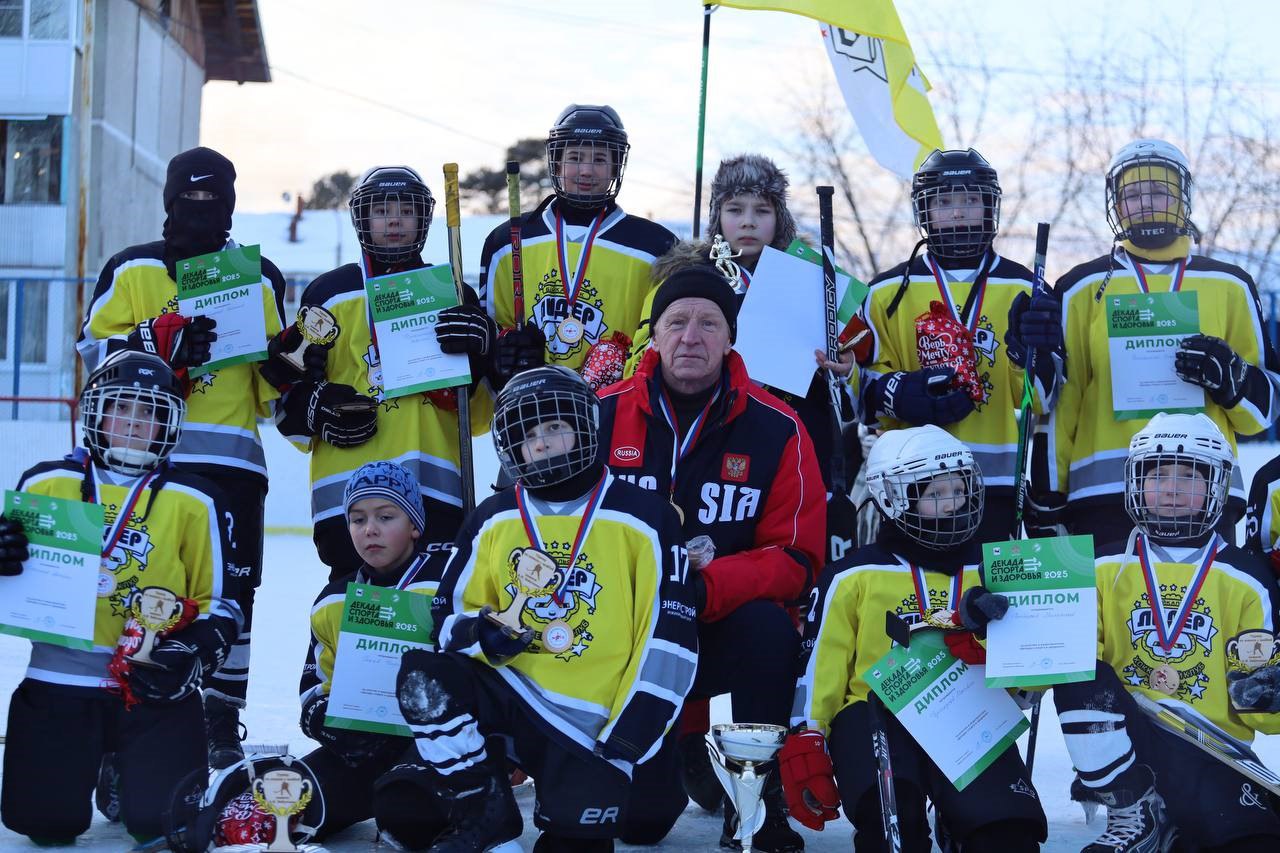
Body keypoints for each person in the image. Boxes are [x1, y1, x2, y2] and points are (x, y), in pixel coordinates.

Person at [394, 366, 696, 852]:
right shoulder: (492, 518)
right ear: (514, 448)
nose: (544, 443)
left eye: (555, 426)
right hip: (513, 697)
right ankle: (482, 805)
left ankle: (628, 789)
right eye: (529, 434)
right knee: (423, 677)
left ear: (585, 427)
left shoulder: (645, 516)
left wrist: (628, 739)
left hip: (593, 727)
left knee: (599, 836)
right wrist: (483, 635)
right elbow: (445, 622)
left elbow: (670, 641)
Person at [596, 264, 827, 851]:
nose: (690, 337)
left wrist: (707, 587)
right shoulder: (600, 414)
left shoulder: (777, 427)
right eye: (676, 322)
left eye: (708, 323)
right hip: (623, 632)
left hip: (719, 624)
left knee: (771, 629)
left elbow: (798, 556)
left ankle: (753, 800)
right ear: (654, 334)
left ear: (731, 338)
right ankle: (677, 757)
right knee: (639, 826)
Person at [75, 146, 286, 767]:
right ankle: (123, 704)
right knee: (139, 583)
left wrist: (292, 364)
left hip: (232, 468)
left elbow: (274, 387)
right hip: (144, 464)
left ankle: (221, 715)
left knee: (234, 594)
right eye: (190, 198)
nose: (202, 209)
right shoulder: (133, 269)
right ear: (169, 201)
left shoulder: (259, 275)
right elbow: (91, 351)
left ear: (231, 204)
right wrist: (154, 341)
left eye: (214, 199)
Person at [0, 351, 241, 847]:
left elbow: (222, 604)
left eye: (150, 411)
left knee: (161, 824)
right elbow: (15, 593)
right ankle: (96, 760)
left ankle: (121, 770)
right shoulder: (46, 484)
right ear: (95, 413)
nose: (134, 423)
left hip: (151, 686)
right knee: (44, 825)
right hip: (57, 680)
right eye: (121, 407)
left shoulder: (195, 498)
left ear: (168, 424)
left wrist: (190, 651)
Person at [783, 425, 1048, 853]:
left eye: (958, 491)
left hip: (969, 713)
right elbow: (821, 664)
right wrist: (808, 734)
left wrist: (987, 648)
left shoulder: (995, 572)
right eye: (934, 494)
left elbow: (1027, 684)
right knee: (892, 827)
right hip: (874, 714)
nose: (951, 506)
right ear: (893, 500)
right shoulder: (854, 575)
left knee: (1008, 835)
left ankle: (963, 819)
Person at [1052, 412, 1280, 852]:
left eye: (1188, 477)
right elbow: (1046, 670)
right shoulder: (1096, 568)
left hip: (1211, 753)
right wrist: (1004, 619)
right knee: (1074, 667)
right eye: (1158, 476)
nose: (1172, 488)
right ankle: (1131, 810)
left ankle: (1170, 828)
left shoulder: (1248, 579)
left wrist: (1265, 687)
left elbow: (1265, 715)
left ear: (1215, 486)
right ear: (1135, 483)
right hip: (1128, 752)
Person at [1039, 138, 1280, 548]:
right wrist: (1048, 495)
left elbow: (1264, 412)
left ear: (1183, 200)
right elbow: (1065, 402)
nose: (1145, 204)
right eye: (1131, 194)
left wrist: (1232, 380)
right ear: (1116, 205)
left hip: (1205, 492)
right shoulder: (1081, 286)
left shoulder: (1229, 284)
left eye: (1158, 192)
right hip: (1103, 499)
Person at [276, 165, 495, 578]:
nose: (394, 219)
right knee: (345, 627)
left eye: (405, 210)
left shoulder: (451, 294)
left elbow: (479, 417)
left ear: (423, 220)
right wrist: (314, 409)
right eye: (381, 210)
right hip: (351, 509)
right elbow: (288, 401)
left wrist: (482, 355)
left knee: (426, 629)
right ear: (362, 218)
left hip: (435, 497)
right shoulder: (329, 292)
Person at [857, 148, 1061, 544]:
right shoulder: (884, 292)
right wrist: (898, 393)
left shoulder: (1027, 289)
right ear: (924, 210)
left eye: (971, 200)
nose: (957, 212)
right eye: (944, 201)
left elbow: (1043, 401)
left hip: (996, 483)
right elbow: (860, 388)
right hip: (910, 482)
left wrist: (1024, 356)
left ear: (990, 208)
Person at [290, 460, 459, 846]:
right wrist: (324, 722)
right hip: (360, 751)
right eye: (357, 519)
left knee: (408, 817)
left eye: (386, 516)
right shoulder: (333, 600)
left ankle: (408, 799)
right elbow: (314, 685)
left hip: (435, 749)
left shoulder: (448, 581)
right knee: (286, 802)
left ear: (414, 525)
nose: (370, 529)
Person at [478, 104, 677, 393]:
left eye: (599, 158)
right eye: (575, 157)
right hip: (531, 409)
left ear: (615, 166)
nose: (586, 170)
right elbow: (489, 334)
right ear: (556, 163)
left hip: (618, 410)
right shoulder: (507, 241)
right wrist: (505, 354)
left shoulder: (657, 246)